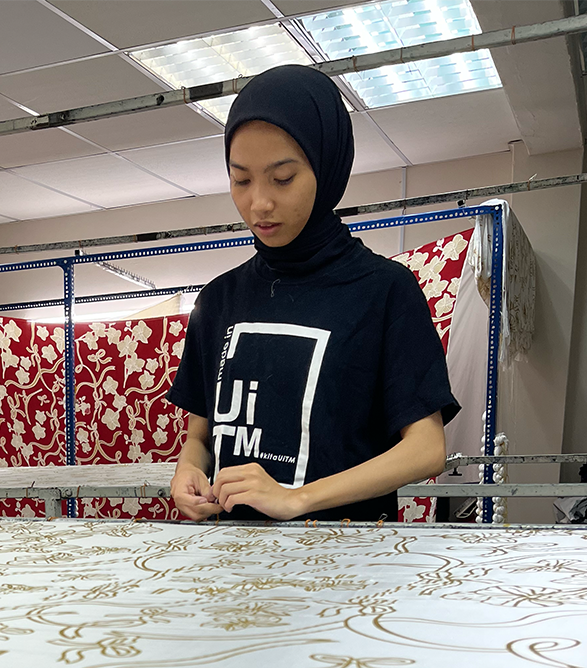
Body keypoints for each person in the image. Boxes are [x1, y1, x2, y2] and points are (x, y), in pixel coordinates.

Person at [168, 65, 459, 523]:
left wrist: (297, 497)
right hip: (236, 563)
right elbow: (201, 438)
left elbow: (426, 449)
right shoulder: (218, 300)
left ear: (326, 167)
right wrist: (188, 471)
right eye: (241, 180)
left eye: (282, 178)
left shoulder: (383, 290)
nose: (259, 203)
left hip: (347, 568)